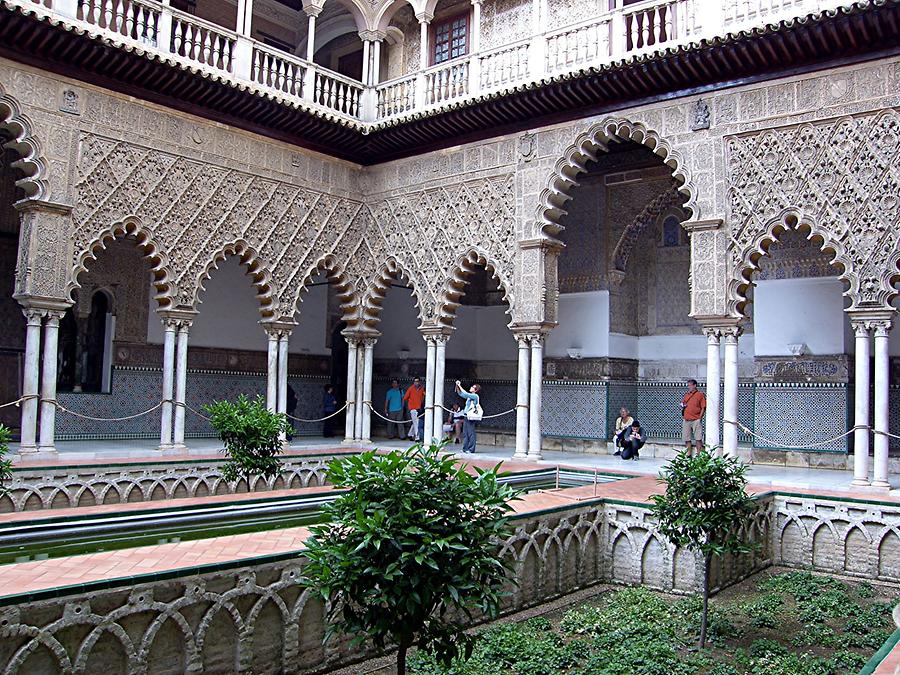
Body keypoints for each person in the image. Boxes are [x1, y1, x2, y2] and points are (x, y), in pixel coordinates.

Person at [681, 378, 707, 455]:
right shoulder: (686, 395)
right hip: (686, 419)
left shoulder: (700, 395)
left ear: (695, 385)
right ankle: (688, 454)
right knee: (687, 438)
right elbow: (683, 404)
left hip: (696, 419)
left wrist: (700, 417)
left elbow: (703, 407)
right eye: (688, 385)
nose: (689, 387)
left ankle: (699, 454)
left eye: (690, 385)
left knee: (698, 438)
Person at [455, 380, 481, 454]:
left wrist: (460, 385)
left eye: (473, 387)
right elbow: (461, 394)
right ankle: (465, 448)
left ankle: (471, 449)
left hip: (471, 417)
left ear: (476, 390)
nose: (471, 388)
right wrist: (457, 386)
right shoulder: (470, 397)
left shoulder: (475, 396)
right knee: (465, 433)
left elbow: (465, 394)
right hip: (466, 416)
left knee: (471, 433)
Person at [403, 377, 425, 441]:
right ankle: (417, 437)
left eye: (418, 381)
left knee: (415, 422)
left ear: (420, 382)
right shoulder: (411, 388)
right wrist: (411, 403)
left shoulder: (422, 388)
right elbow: (405, 398)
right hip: (413, 408)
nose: (416, 382)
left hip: (420, 408)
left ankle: (410, 434)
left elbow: (425, 395)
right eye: (415, 381)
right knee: (416, 423)